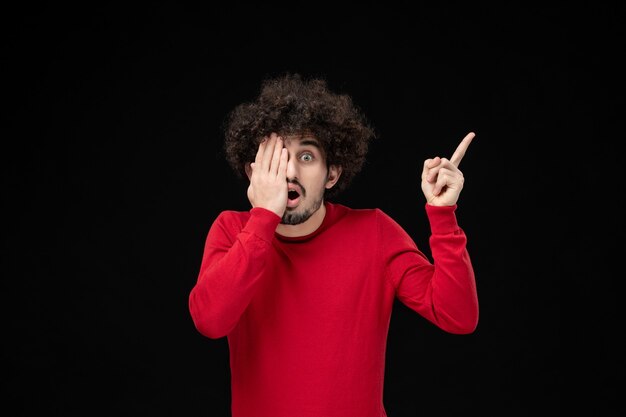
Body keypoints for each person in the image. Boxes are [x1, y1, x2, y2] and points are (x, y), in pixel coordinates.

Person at [188, 73, 479, 417]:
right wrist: (264, 216)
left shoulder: (374, 232)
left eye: (306, 156)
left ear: (332, 174)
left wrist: (443, 215)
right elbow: (209, 321)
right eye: (276, 156)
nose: (289, 171)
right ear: (254, 172)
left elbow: (458, 316)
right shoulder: (231, 230)